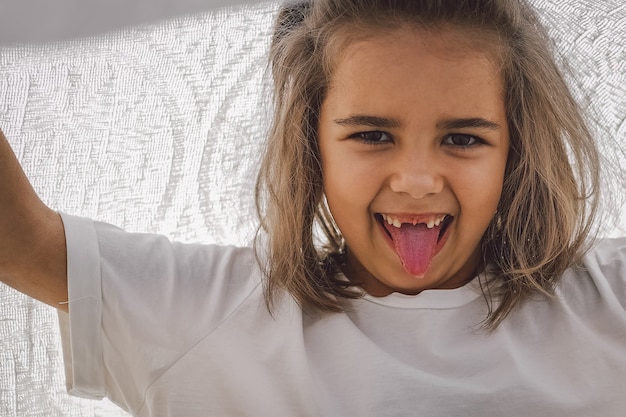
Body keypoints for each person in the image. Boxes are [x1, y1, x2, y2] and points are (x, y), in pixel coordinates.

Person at [1, 0, 625, 416]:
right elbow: (20, 243)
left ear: (515, 149)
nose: (414, 181)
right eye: (372, 135)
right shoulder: (208, 310)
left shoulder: (606, 303)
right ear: (311, 144)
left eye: (463, 138)